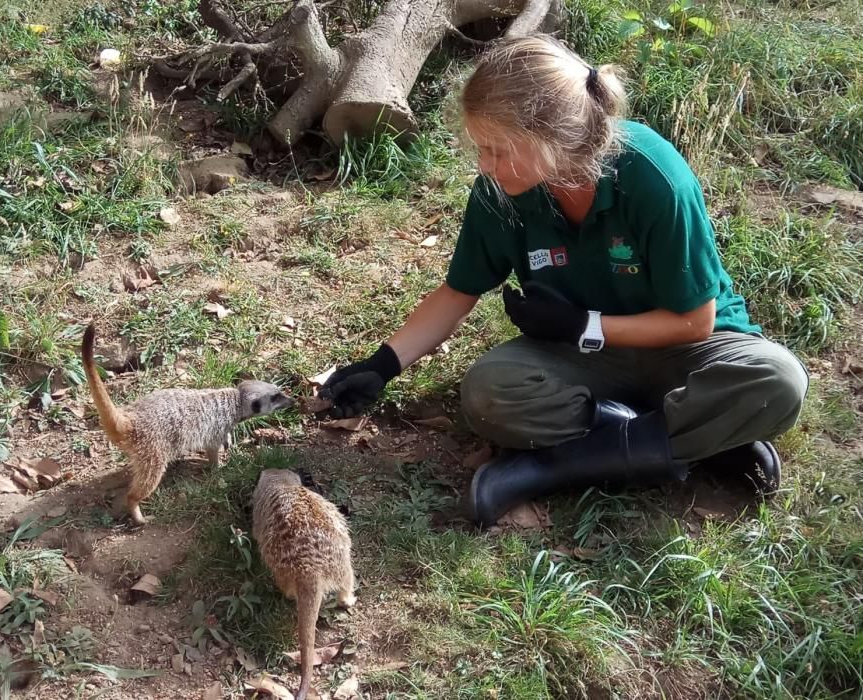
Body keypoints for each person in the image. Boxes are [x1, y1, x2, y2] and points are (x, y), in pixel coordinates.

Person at [319, 35, 809, 526]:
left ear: (553, 137)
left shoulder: (653, 176)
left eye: (497, 150)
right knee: (488, 395)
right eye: (479, 149)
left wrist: (583, 324)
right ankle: (689, 441)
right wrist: (382, 365)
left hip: (685, 347)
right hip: (581, 358)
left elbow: (694, 322)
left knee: (777, 383)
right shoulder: (502, 191)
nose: (484, 166)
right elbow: (458, 291)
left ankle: (553, 467)